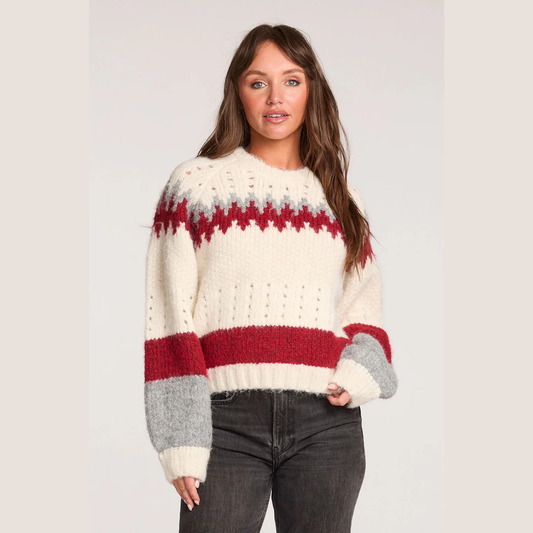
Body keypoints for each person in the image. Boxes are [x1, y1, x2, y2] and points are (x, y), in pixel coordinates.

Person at [144, 23, 399, 533]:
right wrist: (180, 438)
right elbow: (170, 318)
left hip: (326, 427)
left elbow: (364, 314)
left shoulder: (343, 200)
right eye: (258, 82)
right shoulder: (195, 185)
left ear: (311, 91)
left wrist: (359, 373)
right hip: (225, 424)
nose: (275, 97)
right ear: (238, 92)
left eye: (292, 80)